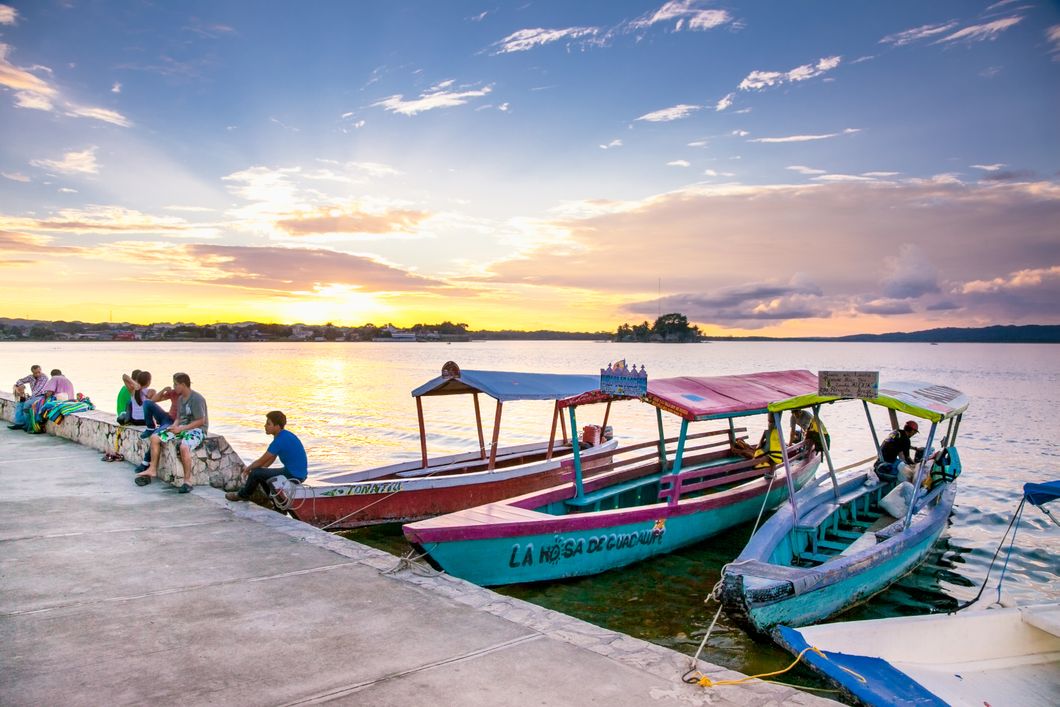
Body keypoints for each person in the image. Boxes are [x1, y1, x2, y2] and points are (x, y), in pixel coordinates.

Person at [134, 373, 208, 494]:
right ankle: (152, 469)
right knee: (155, 437)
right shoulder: (180, 399)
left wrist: (182, 428)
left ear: (183, 385)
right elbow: (178, 417)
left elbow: (201, 421)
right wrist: (174, 426)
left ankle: (187, 481)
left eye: (176, 384)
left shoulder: (197, 399)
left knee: (184, 447)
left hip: (197, 429)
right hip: (181, 427)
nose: (174, 387)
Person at [226, 411, 307, 503]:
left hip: (293, 475)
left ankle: (242, 495)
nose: (265, 426)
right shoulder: (284, 435)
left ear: (277, 426)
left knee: (256, 473)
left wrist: (248, 469)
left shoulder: (279, 441)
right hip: (299, 474)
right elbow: (271, 458)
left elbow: (261, 461)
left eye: (268, 424)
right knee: (260, 473)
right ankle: (274, 501)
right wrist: (263, 470)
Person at [9, 365, 48, 430]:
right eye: (36, 373)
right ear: (32, 372)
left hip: (41, 396)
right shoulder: (30, 377)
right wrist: (21, 386)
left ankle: (26, 425)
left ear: (41, 370)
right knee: (20, 403)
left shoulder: (44, 378)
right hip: (34, 396)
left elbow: (38, 390)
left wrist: (28, 398)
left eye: (39, 372)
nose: (38, 374)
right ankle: (19, 423)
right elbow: (19, 381)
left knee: (26, 404)